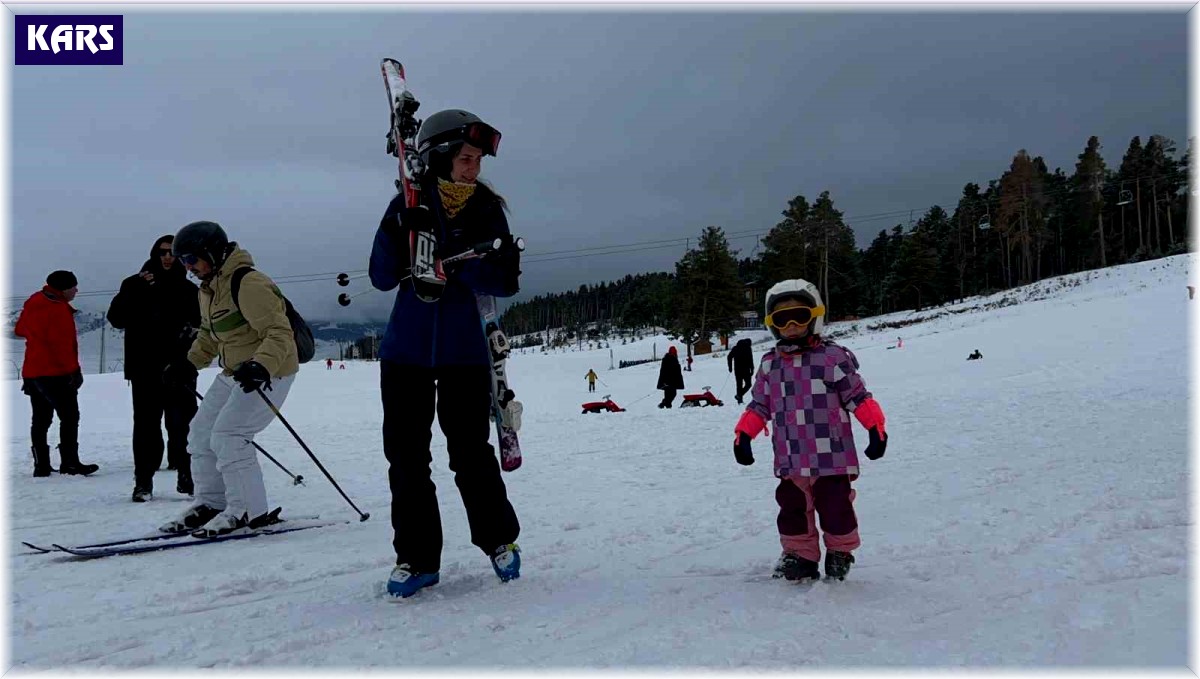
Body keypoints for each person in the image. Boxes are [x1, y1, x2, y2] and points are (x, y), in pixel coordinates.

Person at [369, 108, 523, 598]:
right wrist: (400, 229)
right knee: (407, 458)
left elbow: (505, 280)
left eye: (478, 158)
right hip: (406, 353)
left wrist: (457, 263)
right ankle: (417, 558)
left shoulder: (487, 210)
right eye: (464, 157)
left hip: (464, 353)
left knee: (470, 453)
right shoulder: (408, 203)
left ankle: (498, 540)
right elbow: (380, 275)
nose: (473, 166)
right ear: (438, 157)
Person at [732, 279, 888, 582]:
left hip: (832, 457)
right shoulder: (769, 365)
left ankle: (840, 551)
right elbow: (759, 406)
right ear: (772, 324)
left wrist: (875, 427)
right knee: (791, 508)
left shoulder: (832, 358)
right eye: (781, 319)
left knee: (836, 507)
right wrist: (744, 435)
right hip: (791, 459)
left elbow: (857, 396)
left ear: (814, 317)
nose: (791, 325)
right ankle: (799, 555)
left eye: (799, 316)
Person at [159, 221, 299, 537]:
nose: (188, 268)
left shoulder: (248, 283)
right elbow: (210, 335)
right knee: (200, 433)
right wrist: (188, 364)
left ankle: (249, 509)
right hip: (235, 372)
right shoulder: (208, 290)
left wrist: (261, 365)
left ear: (212, 252)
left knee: (230, 435)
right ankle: (211, 503)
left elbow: (279, 333)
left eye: (191, 259)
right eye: (183, 262)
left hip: (269, 372)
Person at [106, 235, 200, 502]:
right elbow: (116, 319)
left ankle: (187, 475)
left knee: (182, 424)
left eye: (173, 253)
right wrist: (134, 289)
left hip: (181, 367)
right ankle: (143, 481)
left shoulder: (189, 290)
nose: (167, 257)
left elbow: (200, 327)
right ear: (154, 254)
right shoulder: (135, 284)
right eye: (162, 252)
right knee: (146, 426)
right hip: (144, 368)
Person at [14, 270, 99, 477]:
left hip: (32, 371)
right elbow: (63, 346)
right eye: (73, 287)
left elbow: (19, 330)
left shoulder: (34, 301)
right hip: (55, 373)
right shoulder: (58, 309)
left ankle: (41, 465)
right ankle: (70, 463)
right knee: (69, 416)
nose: (76, 290)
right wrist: (74, 371)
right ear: (64, 288)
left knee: (40, 419)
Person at [727, 337, 754, 405]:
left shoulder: (736, 348)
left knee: (739, 385)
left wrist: (730, 367)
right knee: (748, 384)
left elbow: (729, 357)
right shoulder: (748, 348)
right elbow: (751, 359)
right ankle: (739, 397)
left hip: (737, 370)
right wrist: (752, 369)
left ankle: (739, 399)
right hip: (746, 369)